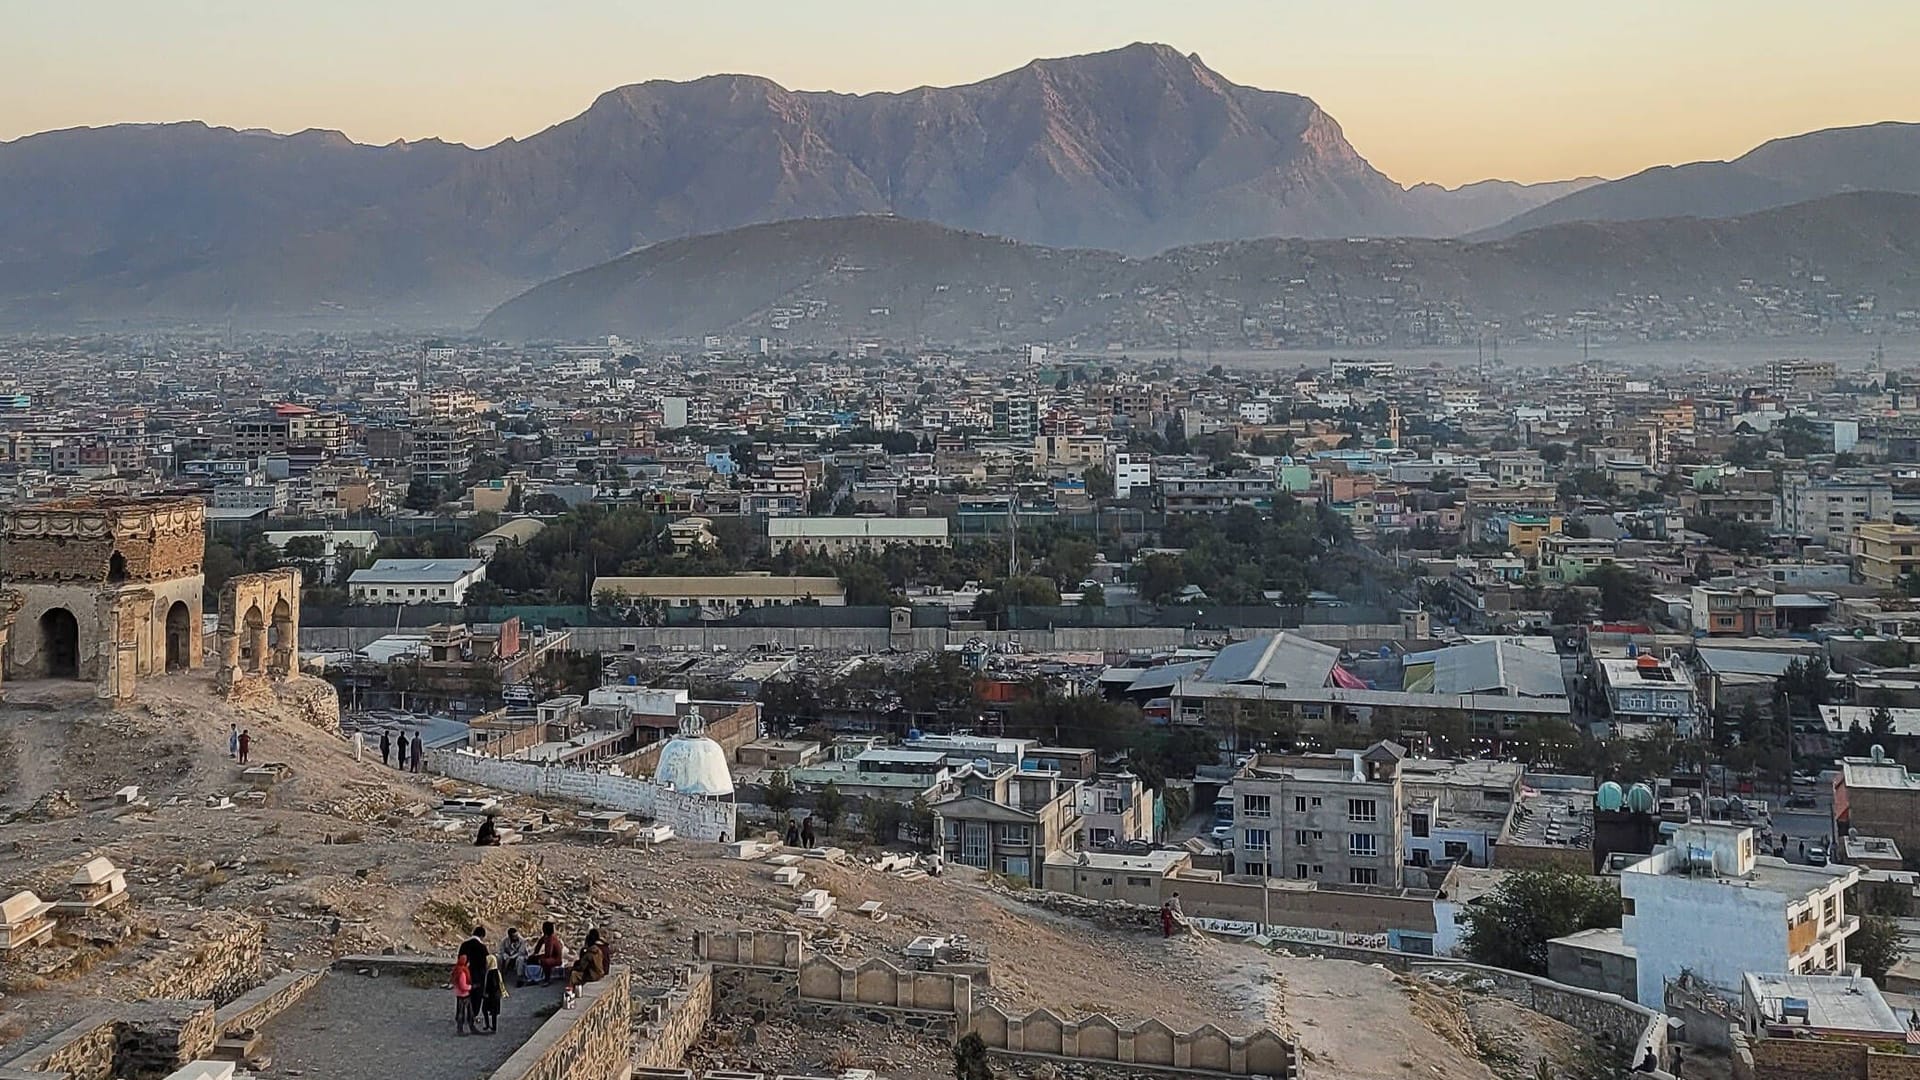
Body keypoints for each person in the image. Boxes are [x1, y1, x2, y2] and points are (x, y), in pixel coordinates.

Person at [565, 927, 610, 996]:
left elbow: (581, 967)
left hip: (593, 975)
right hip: (601, 972)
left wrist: (574, 967)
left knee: (574, 974)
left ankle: (571, 992)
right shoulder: (599, 949)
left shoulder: (589, 953)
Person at [523, 921, 564, 986]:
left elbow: (548, 954)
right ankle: (531, 978)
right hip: (550, 956)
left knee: (545, 962)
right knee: (531, 958)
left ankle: (547, 979)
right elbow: (539, 944)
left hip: (556, 959)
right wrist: (534, 954)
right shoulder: (545, 937)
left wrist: (540, 958)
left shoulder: (551, 939)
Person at [479, 954, 507, 1033]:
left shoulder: (492, 973)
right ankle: (491, 1026)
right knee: (492, 1012)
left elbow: (494, 985)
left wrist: (487, 992)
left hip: (491, 996)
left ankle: (490, 1026)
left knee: (486, 1010)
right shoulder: (495, 971)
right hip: (495, 995)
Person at [450, 954, 475, 1033]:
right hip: (464, 995)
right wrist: (471, 987)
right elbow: (463, 986)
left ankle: (460, 1028)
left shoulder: (456, 970)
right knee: (468, 1012)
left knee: (460, 1012)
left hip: (459, 994)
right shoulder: (462, 972)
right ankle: (469, 1028)